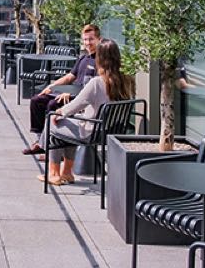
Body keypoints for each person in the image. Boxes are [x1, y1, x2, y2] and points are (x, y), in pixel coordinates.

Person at [37, 38, 133, 185]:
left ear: (100, 58)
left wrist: (60, 112)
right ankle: (67, 173)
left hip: (91, 131)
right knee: (69, 121)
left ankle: (53, 173)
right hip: (112, 130)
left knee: (52, 120)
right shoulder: (128, 81)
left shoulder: (97, 82)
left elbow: (76, 104)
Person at [22, 24, 101, 156]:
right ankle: (41, 141)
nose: (88, 43)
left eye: (91, 39)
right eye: (85, 40)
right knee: (37, 100)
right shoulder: (83, 58)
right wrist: (51, 87)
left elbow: (92, 90)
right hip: (68, 92)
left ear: (99, 39)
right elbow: (70, 76)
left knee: (52, 105)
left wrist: (71, 93)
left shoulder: (100, 61)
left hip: (80, 98)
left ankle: (51, 148)